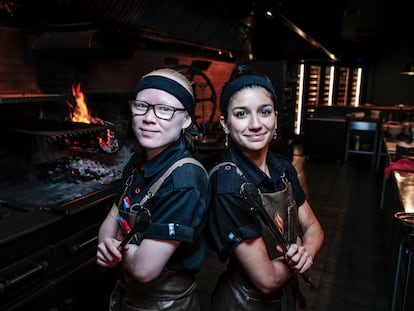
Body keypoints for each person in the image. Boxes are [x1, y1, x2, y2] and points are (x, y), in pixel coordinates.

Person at [207, 65, 324, 311]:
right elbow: (267, 279)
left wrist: (305, 253)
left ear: (275, 118)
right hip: (245, 302)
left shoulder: (282, 167)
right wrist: (297, 260)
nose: (256, 124)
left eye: (264, 111)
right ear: (225, 124)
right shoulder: (228, 184)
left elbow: (313, 226)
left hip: (284, 299)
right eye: (241, 114)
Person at [96, 68, 210, 311]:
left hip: (165, 303)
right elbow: (113, 217)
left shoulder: (184, 179)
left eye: (165, 109)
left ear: (186, 120)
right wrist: (107, 241)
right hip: (128, 296)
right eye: (141, 105)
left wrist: (117, 244)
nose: (149, 118)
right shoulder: (137, 163)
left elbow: (144, 269)